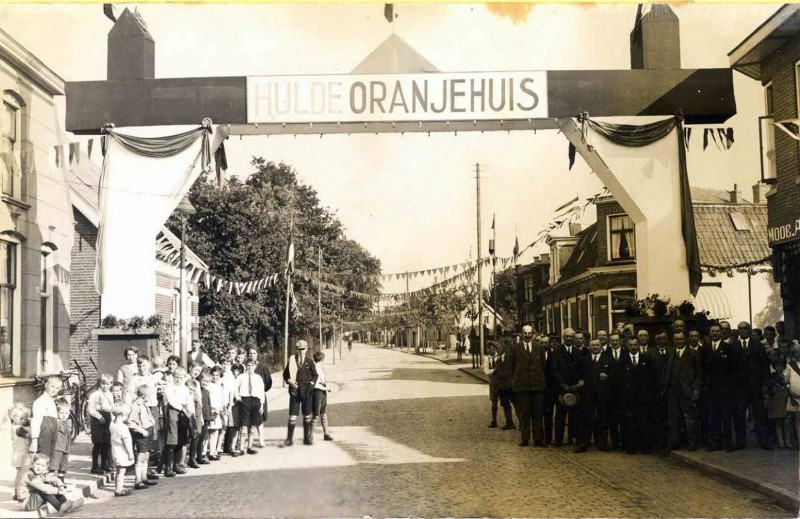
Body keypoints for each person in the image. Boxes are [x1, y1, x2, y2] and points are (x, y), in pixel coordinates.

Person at [506, 326, 546, 447]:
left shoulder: (539, 348)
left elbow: (543, 366)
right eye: (525, 333)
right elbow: (511, 366)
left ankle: (538, 439)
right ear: (521, 334)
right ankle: (525, 438)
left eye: (529, 333)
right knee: (524, 414)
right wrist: (515, 381)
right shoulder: (515, 348)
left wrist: (540, 380)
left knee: (538, 414)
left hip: (537, 386)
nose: (527, 335)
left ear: (533, 334)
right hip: (522, 387)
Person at [735, 321, 771, 449]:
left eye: (745, 328)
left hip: (756, 387)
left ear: (749, 330)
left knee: (760, 415)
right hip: (740, 389)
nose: (743, 331)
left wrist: (765, 385)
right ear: (738, 331)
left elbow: (765, 367)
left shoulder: (758, 346)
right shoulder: (734, 346)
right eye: (740, 329)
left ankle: (764, 441)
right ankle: (740, 442)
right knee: (739, 415)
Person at [663, 332, 702, 451]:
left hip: (687, 391)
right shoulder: (670, 353)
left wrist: (696, 389)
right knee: (673, 418)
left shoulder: (693, 353)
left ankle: (692, 443)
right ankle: (675, 442)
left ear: (685, 340)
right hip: (673, 391)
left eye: (680, 339)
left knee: (689, 418)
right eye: (676, 339)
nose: (678, 341)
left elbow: (699, 374)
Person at [620, 336, 658, 454]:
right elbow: (619, 381)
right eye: (630, 345)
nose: (633, 347)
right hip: (629, 399)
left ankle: (645, 447)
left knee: (644, 423)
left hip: (643, 398)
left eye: (635, 345)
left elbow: (653, 378)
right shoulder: (623, 360)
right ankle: (631, 447)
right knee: (630, 424)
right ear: (627, 346)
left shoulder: (646, 359)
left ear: (638, 345)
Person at [701, 323, 735, 452]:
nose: (715, 333)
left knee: (726, 416)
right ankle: (715, 443)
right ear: (709, 333)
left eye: (717, 331)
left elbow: (733, 369)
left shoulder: (728, 348)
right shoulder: (704, 349)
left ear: (721, 333)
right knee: (713, 416)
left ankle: (728, 443)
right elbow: (703, 369)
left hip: (725, 388)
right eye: (712, 331)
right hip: (710, 388)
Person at [575, 339, 612, 453]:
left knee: (603, 418)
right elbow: (577, 373)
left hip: (602, 393)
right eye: (593, 345)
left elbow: (615, 374)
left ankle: (602, 443)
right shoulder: (583, 360)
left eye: (597, 345)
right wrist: (580, 380)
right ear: (589, 347)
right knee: (586, 417)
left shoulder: (608, 359)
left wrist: (607, 376)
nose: (595, 347)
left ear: (601, 346)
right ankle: (584, 443)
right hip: (588, 393)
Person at [282, 340, 318, 447]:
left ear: (306, 349)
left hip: (307, 392)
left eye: (303, 349)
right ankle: (289, 439)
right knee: (293, 415)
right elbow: (285, 374)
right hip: (295, 392)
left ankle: (307, 438)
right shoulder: (292, 361)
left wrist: (311, 384)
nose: (301, 351)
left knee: (307, 415)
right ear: (297, 350)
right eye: (299, 349)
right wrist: (289, 381)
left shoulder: (310, 361)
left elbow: (315, 375)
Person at [553, 328, 584, 447]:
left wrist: (576, 385)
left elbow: (581, 370)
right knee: (560, 416)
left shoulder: (579, 353)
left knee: (575, 416)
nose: (569, 339)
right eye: (566, 337)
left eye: (571, 337)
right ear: (563, 337)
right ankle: (558, 440)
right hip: (562, 388)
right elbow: (554, 370)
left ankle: (573, 438)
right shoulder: (556, 352)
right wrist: (563, 384)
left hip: (575, 389)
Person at [162, 366, 191, 477]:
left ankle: (177, 465)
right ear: (173, 377)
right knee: (172, 439)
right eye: (177, 377)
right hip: (173, 412)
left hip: (183, 413)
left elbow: (189, 400)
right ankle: (168, 467)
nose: (179, 379)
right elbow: (172, 401)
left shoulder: (185, 388)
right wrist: (182, 408)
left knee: (181, 439)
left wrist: (188, 411)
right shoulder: (169, 387)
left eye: (181, 377)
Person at [127, 385, 157, 489]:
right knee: (140, 457)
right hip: (142, 433)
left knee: (146, 456)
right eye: (149, 395)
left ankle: (144, 478)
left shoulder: (144, 404)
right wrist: (141, 431)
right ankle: (138, 481)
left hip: (148, 431)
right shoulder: (136, 406)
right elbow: (131, 423)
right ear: (144, 396)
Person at [29, 376, 62, 463]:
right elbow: (36, 421)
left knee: (49, 458)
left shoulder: (51, 400)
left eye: (57, 388)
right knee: (42, 457)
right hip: (44, 434)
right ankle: (39, 475)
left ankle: (45, 475)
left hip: (52, 433)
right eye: (52, 386)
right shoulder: (40, 402)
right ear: (46, 385)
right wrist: (34, 439)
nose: (54, 390)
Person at [484, 340, 515, 431]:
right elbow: (486, 371)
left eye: (492, 348)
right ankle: (494, 420)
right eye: (488, 348)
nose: (490, 350)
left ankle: (510, 421)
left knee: (506, 402)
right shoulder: (487, 359)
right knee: (494, 403)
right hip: (493, 383)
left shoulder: (500, 357)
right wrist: (494, 370)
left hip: (502, 383)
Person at [235, 358, 265, 454]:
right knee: (244, 425)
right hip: (245, 400)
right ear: (246, 366)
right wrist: (238, 397)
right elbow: (235, 388)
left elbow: (262, 391)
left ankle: (250, 447)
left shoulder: (258, 377)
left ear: (255, 366)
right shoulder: (241, 377)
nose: (250, 367)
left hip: (256, 401)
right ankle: (241, 448)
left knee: (252, 425)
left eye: (252, 365)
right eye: (248, 365)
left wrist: (262, 405)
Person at [605, 332, 627, 451]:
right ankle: (615, 443)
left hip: (623, 392)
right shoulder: (605, 354)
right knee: (612, 420)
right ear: (609, 342)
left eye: (616, 340)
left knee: (624, 419)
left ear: (620, 341)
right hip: (610, 392)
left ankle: (624, 442)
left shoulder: (626, 353)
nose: (614, 342)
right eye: (612, 340)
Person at [764, 348, 789, 449]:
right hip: (776, 400)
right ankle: (781, 442)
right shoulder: (772, 377)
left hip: (785, 400)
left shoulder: (787, 376)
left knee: (786, 422)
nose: (779, 368)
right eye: (777, 366)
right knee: (778, 421)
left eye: (781, 366)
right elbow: (770, 390)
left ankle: (787, 441)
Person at [248, 347, 273, 448]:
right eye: (250, 353)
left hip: (259, 396)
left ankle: (261, 440)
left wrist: (262, 391)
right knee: (249, 421)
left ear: (257, 354)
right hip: (248, 397)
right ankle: (249, 441)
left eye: (254, 353)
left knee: (259, 419)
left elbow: (269, 382)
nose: (252, 355)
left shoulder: (262, 367)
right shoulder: (247, 367)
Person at [110, 404, 134, 496]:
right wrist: (130, 453)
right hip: (122, 451)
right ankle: (119, 490)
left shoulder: (112, 425)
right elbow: (126, 442)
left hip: (115, 450)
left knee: (118, 471)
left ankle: (118, 488)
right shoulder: (123, 427)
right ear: (121, 416)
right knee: (122, 471)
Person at [10, 404, 32, 502]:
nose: (24, 420)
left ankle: (16, 493)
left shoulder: (15, 426)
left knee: (19, 474)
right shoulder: (19, 429)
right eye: (21, 418)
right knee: (21, 475)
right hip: (20, 456)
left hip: (19, 455)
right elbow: (29, 435)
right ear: (14, 418)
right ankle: (19, 494)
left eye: (25, 418)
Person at [312, 351, 334, 441]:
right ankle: (310, 435)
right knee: (316, 414)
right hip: (317, 393)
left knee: (323, 413)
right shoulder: (315, 369)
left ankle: (326, 434)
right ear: (321, 360)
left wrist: (325, 386)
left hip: (322, 393)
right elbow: (315, 384)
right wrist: (325, 388)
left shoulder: (320, 368)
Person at [49, 399, 73, 481]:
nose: (64, 415)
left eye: (66, 413)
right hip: (57, 449)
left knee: (63, 468)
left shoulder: (66, 423)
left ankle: (61, 483)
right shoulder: (56, 423)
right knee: (52, 467)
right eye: (62, 413)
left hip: (65, 449)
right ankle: (48, 483)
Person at [206, 366, 225, 459]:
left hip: (217, 410)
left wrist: (219, 409)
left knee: (215, 431)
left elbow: (222, 399)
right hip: (209, 410)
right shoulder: (208, 385)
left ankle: (212, 452)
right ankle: (204, 451)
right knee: (207, 432)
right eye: (213, 375)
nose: (215, 377)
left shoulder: (221, 385)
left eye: (217, 375)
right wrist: (211, 409)